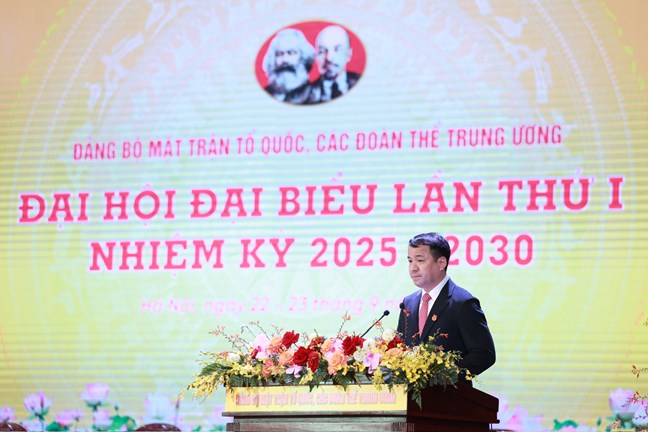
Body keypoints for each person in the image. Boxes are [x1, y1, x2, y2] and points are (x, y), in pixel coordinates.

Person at [396, 232, 496, 379]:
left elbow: (484, 354)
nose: (413, 268)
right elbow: (401, 348)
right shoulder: (408, 303)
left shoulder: (463, 303)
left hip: (448, 391)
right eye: (410, 261)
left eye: (420, 260)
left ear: (442, 263)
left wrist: (445, 376)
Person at [306, 25, 361, 103]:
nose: (329, 58)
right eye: (322, 51)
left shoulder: (363, 82)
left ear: (349, 54)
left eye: (337, 50)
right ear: (316, 56)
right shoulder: (306, 95)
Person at [262, 28, 315, 104]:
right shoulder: (264, 93)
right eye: (279, 54)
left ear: (303, 57)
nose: (285, 60)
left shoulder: (313, 93)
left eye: (291, 53)